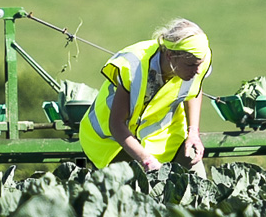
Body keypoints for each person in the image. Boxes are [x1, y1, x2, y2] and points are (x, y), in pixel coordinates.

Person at [77, 19, 213, 173]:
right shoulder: (134, 66)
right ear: (169, 55)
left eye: (200, 64)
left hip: (164, 137)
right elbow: (116, 124)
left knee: (197, 182)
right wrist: (147, 160)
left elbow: (195, 90)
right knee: (137, 194)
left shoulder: (198, 60)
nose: (198, 70)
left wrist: (193, 132)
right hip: (113, 141)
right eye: (191, 65)